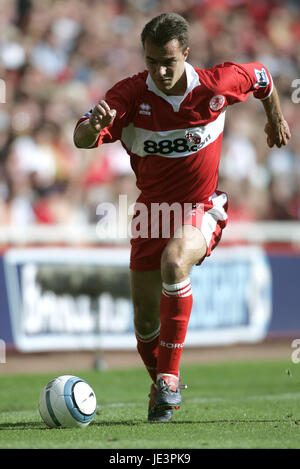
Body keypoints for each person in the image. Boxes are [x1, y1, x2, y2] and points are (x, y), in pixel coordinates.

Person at [73, 12, 291, 422]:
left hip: (201, 206)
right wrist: (93, 129)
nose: (159, 70)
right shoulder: (129, 95)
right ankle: (162, 391)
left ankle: (169, 379)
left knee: (175, 262)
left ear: (186, 54)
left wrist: (275, 117)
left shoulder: (215, 84)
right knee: (144, 323)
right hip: (150, 214)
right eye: (151, 60)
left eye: (167, 61)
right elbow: (82, 136)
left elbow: (263, 77)